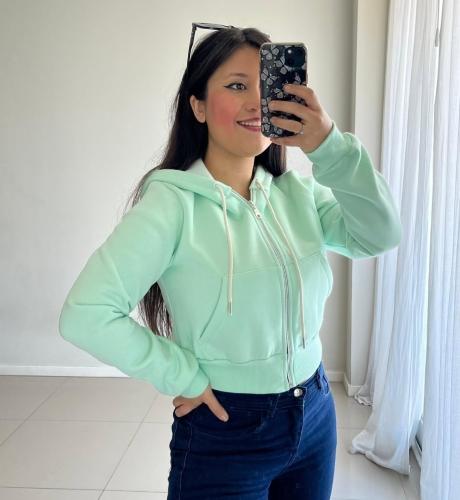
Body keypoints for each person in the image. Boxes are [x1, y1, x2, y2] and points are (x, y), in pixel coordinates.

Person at [58, 25, 402, 500]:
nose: (256, 102)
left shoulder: (298, 194)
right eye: (237, 85)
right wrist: (181, 375)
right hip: (225, 429)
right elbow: (86, 314)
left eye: (266, 87)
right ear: (198, 106)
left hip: (315, 414)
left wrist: (328, 144)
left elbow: (381, 234)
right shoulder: (171, 205)